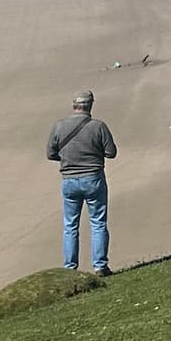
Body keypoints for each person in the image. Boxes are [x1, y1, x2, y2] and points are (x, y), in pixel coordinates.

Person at [47, 90, 117, 275]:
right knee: (98, 222)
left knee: (70, 225)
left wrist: (69, 159)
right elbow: (111, 152)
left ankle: (70, 268)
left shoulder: (59, 126)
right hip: (93, 178)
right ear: (91, 105)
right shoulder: (98, 126)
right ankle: (100, 266)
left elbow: (50, 154)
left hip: (69, 180)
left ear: (73, 106)